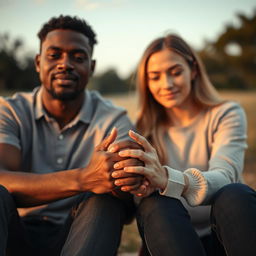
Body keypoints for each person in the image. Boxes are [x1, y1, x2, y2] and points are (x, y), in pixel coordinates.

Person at [0, 15, 143, 255]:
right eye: (54, 55)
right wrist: (85, 178)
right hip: (16, 232)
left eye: (78, 57)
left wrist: (120, 178)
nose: (65, 64)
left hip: (81, 234)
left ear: (92, 66)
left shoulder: (114, 120)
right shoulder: (10, 110)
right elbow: (3, 179)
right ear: (38, 62)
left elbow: (127, 208)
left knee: (105, 200)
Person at [109, 34, 256, 255]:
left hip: (223, 239)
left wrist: (169, 179)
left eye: (175, 72)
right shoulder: (142, 129)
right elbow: (139, 204)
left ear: (193, 70)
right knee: (154, 204)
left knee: (234, 193)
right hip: (169, 242)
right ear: (146, 83)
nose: (166, 84)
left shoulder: (226, 113)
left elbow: (225, 175)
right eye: (155, 77)